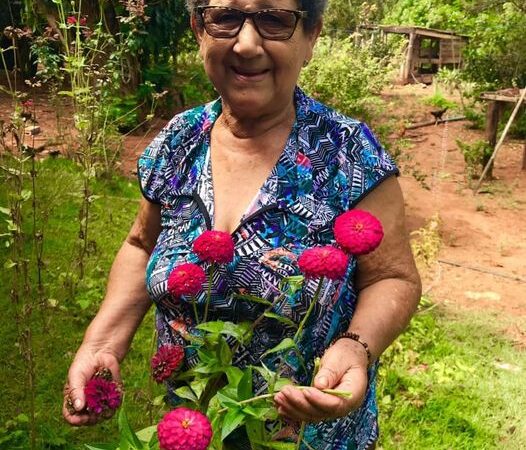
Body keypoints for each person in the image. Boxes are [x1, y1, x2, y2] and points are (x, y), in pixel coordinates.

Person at [63, 0, 421, 448]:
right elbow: (141, 245)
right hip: (197, 425)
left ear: (310, 37)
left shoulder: (348, 154)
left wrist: (357, 346)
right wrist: (102, 344)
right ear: (199, 29)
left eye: (274, 20)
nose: (247, 43)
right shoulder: (178, 141)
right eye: (226, 17)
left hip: (309, 437)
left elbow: (393, 277)